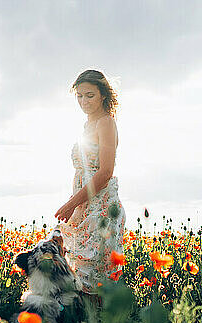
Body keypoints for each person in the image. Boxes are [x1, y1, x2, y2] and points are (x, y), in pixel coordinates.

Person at [54, 69, 126, 293]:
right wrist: (74, 202)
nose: (83, 101)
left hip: (101, 208)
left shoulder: (105, 122)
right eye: (79, 96)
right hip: (85, 204)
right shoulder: (88, 125)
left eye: (89, 95)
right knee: (80, 275)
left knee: (96, 278)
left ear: (103, 94)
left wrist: (71, 204)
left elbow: (104, 173)